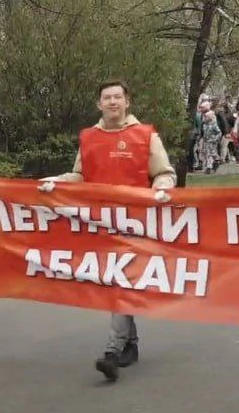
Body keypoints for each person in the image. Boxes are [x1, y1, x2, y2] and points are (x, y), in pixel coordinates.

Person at [39, 80, 177, 382]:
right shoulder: (89, 138)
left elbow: (164, 173)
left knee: (121, 281)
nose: (113, 102)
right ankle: (130, 345)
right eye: (107, 98)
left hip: (135, 223)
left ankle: (113, 352)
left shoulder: (145, 136)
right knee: (117, 283)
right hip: (100, 223)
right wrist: (56, 182)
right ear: (99, 104)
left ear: (127, 102)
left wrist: (161, 189)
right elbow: (79, 175)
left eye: (118, 97)